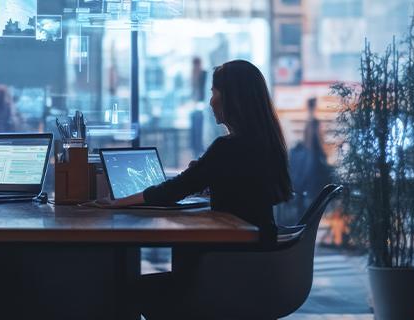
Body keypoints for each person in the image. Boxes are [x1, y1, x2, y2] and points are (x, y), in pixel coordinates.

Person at [96, 60, 293, 319]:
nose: (211, 101)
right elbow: (247, 190)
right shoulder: (267, 144)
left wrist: (119, 202)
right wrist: (213, 182)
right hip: (256, 271)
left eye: (214, 92)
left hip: (223, 276)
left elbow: (173, 190)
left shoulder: (227, 147)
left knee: (128, 290)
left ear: (232, 98)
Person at [287, 98, 333, 224]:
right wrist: (324, 155)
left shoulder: (309, 122)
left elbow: (307, 141)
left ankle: (305, 219)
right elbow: (319, 141)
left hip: (309, 160)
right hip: (314, 161)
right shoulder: (315, 123)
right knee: (315, 192)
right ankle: (310, 220)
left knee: (307, 191)